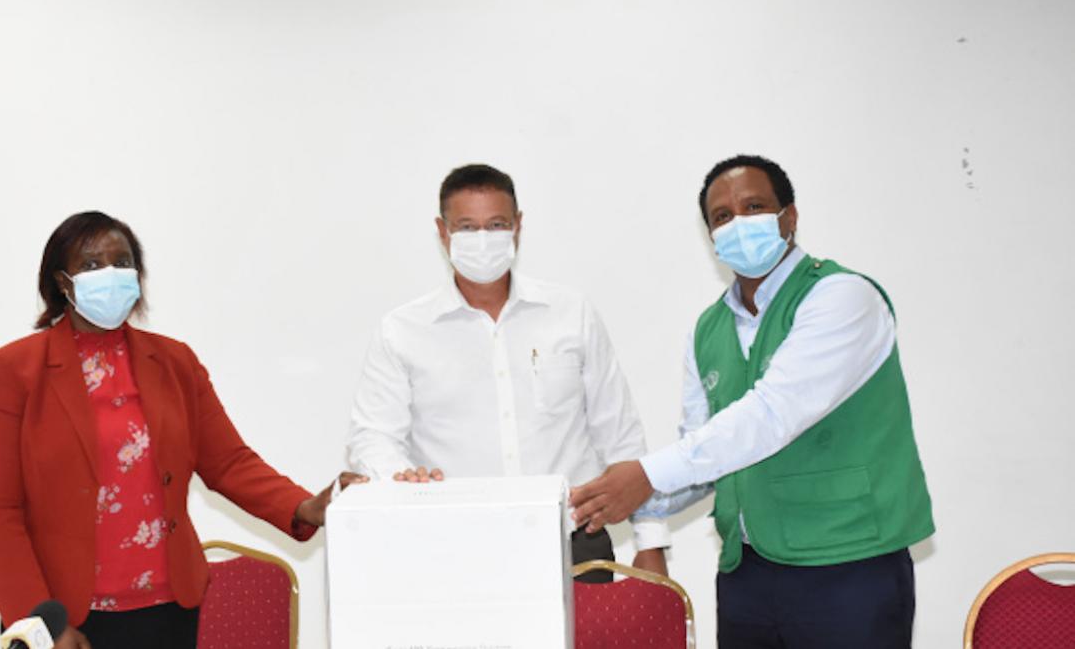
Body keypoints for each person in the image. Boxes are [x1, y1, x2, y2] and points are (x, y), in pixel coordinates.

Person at [570, 155, 935, 647]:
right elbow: (702, 452)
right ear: (711, 237)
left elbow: (772, 414)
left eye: (753, 206)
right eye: (722, 217)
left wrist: (644, 477)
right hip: (747, 575)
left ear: (789, 217)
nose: (737, 223)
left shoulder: (841, 297)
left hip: (849, 565)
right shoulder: (708, 329)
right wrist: (608, 504)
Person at [0, 211, 363, 649]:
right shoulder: (15, 370)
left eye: (122, 262)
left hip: (167, 608)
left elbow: (228, 462)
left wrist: (303, 506)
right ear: (63, 282)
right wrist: (42, 621)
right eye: (92, 265)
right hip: (61, 615)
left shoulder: (175, 362)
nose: (110, 274)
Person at [346, 164, 670, 578]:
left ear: (517, 226)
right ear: (443, 232)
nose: (483, 239)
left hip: (574, 544)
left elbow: (621, 435)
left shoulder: (571, 314)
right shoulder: (402, 331)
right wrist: (401, 478)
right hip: (451, 548)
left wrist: (651, 539)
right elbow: (372, 435)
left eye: (496, 224)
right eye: (467, 227)